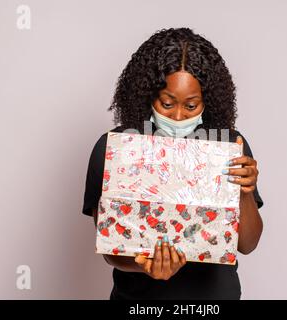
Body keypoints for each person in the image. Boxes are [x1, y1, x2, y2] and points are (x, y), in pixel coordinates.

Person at [82, 27, 264, 300]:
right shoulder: (115, 148)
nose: (178, 116)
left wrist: (245, 193)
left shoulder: (227, 147)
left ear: (208, 101)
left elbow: (247, 244)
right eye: (167, 104)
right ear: (148, 95)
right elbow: (110, 248)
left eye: (191, 106)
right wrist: (146, 267)